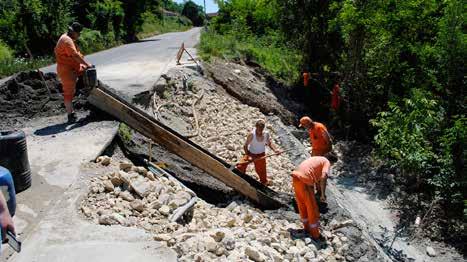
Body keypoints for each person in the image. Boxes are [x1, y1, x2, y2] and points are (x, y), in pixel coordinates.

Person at [55, 22, 92, 123]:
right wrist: (87, 64)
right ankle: (70, 115)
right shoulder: (67, 41)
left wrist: (84, 66)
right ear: (73, 32)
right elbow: (75, 56)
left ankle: (86, 93)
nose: (79, 35)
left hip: (73, 67)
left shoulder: (67, 37)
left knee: (88, 74)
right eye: (78, 33)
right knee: (68, 93)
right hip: (66, 70)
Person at [291, 156, 330, 240]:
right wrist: (322, 194)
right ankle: (315, 234)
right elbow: (323, 177)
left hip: (296, 178)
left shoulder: (318, 159)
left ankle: (307, 229)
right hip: (304, 181)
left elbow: (316, 177)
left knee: (302, 205)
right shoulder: (327, 162)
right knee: (311, 208)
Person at [236, 120, 280, 185]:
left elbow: (269, 143)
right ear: (256, 127)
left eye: (262, 129)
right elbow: (245, 146)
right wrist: (248, 154)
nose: (260, 131)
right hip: (251, 153)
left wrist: (275, 150)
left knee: (262, 171)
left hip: (261, 155)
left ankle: (264, 183)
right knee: (240, 166)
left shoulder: (266, 134)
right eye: (259, 129)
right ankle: (239, 177)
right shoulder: (251, 135)